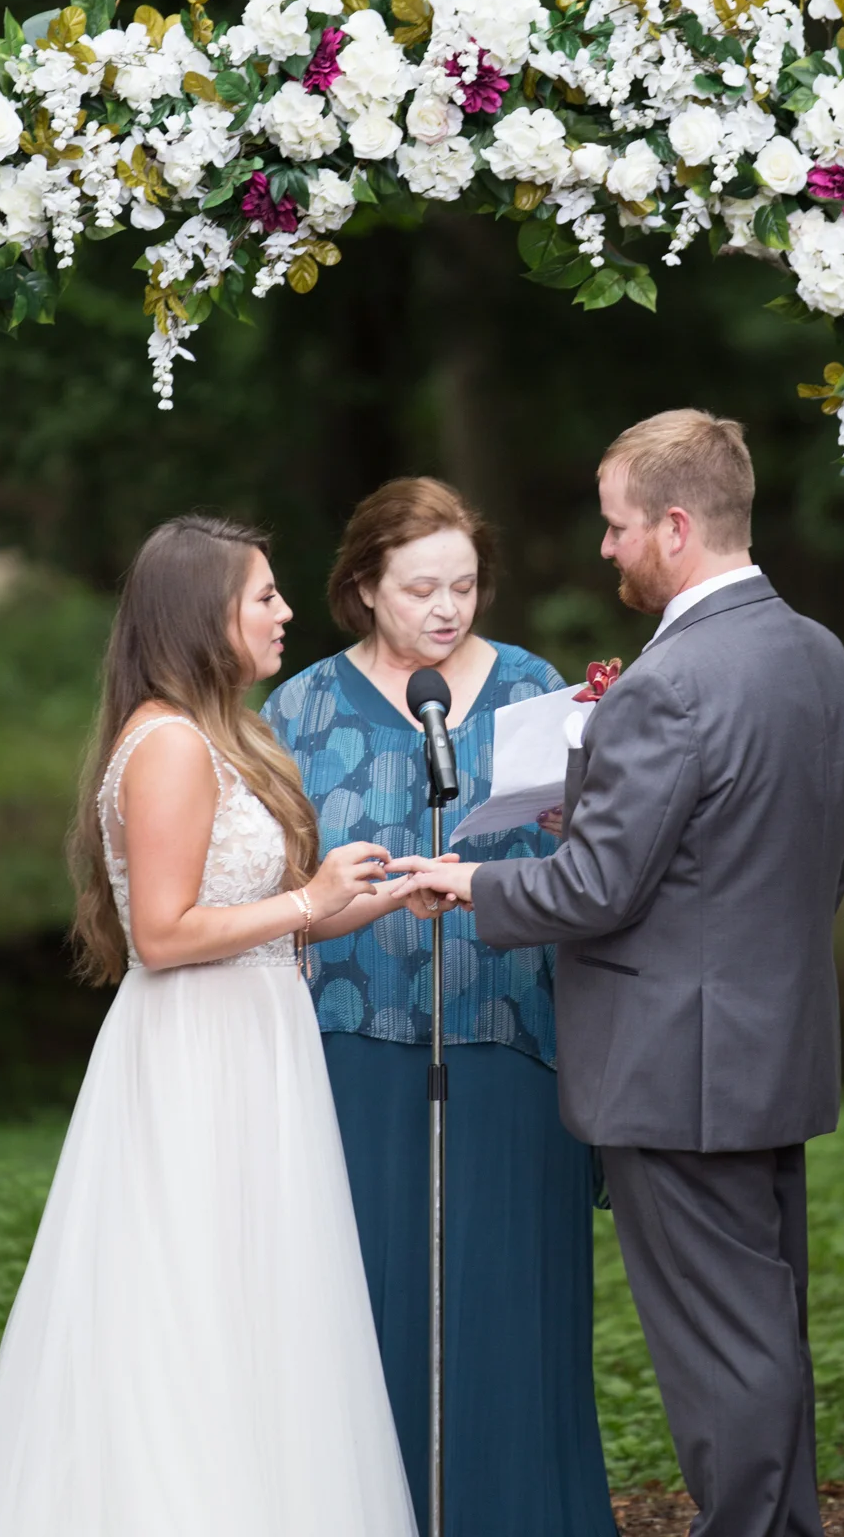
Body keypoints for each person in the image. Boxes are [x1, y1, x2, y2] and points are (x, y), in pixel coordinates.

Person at [404, 411, 844, 1537]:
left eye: (617, 525)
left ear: (673, 525)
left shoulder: (671, 681)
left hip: (675, 1067)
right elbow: (806, 853)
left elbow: (594, 891)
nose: (606, 546)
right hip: (771, 1044)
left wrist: (470, 883)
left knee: (720, 1353)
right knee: (763, 1328)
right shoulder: (818, 653)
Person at [0, 514, 419, 1537]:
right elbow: (162, 934)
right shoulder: (166, 744)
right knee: (188, 1296)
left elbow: (260, 920)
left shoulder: (226, 733)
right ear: (204, 614)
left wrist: (376, 896)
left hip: (256, 1037)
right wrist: (307, 898)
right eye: (264, 595)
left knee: (260, 1298)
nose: (285, 612)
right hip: (197, 1053)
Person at [262, 477, 615, 1537]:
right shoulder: (299, 709)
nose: (446, 608)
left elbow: (593, 862)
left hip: (510, 1040)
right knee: (363, 1310)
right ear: (364, 585)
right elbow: (264, 885)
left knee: (509, 1309)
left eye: (463, 585)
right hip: (351, 1052)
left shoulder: (535, 689)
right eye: (420, 588)